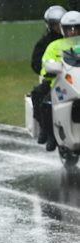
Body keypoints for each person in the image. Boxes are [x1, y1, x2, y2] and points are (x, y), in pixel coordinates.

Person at [39, 10, 80, 151]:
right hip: (60, 84)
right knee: (46, 104)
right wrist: (49, 72)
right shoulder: (54, 46)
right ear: (64, 30)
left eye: (76, 28)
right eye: (70, 29)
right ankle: (51, 136)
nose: (73, 32)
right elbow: (45, 65)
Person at [30, 5, 66, 144]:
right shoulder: (45, 43)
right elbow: (37, 63)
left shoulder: (75, 41)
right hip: (53, 80)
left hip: (74, 78)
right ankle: (46, 130)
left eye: (60, 24)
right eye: (55, 25)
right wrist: (48, 73)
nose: (58, 27)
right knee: (40, 98)